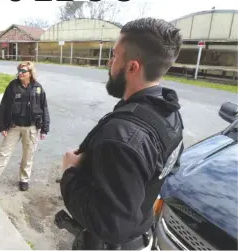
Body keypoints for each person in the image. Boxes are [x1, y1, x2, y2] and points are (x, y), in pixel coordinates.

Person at [60, 18, 184, 250]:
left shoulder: (121, 136)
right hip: (143, 235)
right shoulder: (170, 114)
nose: (109, 62)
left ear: (132, 67)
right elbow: (167, 169)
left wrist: (69, 173)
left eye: (115, 56)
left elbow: (111, 226)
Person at [0, 61, 50, 191]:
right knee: (3, 153)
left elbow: (44, 108)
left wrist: (45, 129)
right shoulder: (12, 86)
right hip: (14, 127)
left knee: (28, 155)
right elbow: (3, 106)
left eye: (23, 71)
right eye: (19, 70)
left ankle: (24, 179)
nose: (20, 73)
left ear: (30, 73)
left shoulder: (38, 88)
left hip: (31, 128)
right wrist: (2, 126)